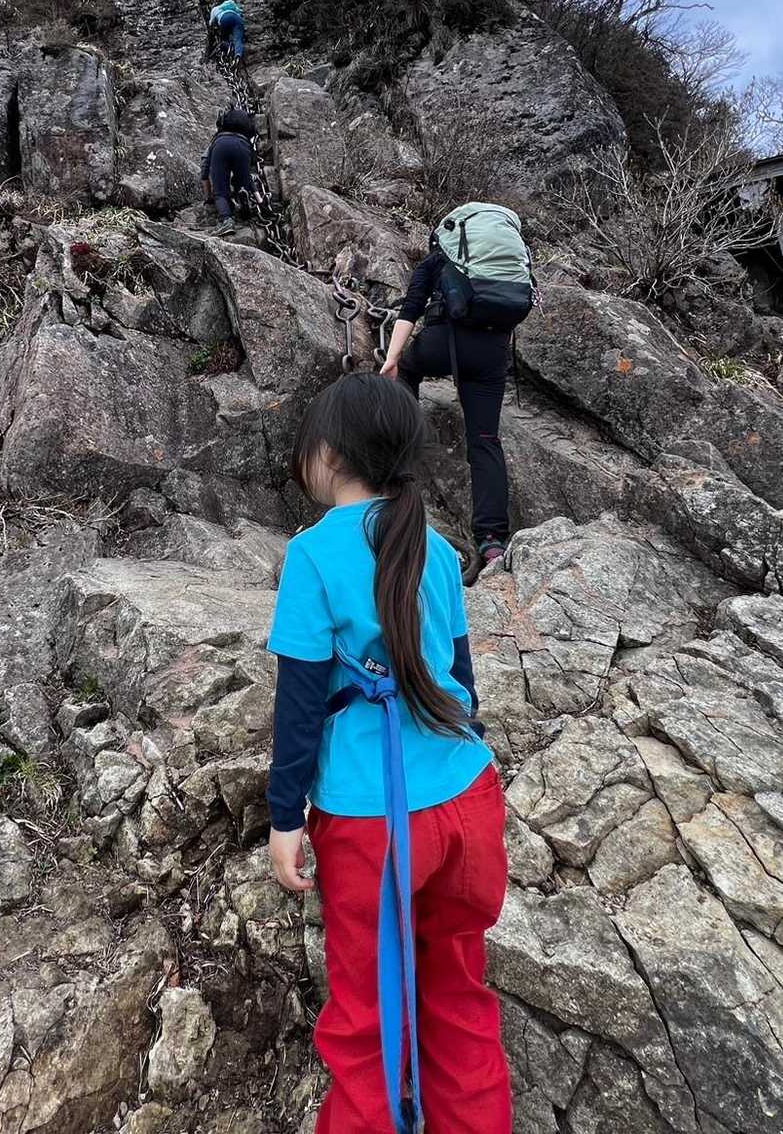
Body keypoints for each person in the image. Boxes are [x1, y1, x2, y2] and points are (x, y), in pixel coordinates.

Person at [266, 373, 510, 1134]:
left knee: (366, 1018)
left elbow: (299, 707)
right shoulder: (434, 548)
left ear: (330, 453)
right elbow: (460, 679)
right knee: (458, 993)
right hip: (468, 799)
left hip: (373, 822)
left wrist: (284, 817)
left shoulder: (311, 556)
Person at [380, 239, 512, 567]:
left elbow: (411, 309)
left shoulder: (437, 260)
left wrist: (393, 359)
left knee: (407, 370)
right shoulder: (505, 260)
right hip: (491, 353)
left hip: (441, 343)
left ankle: (404, 448)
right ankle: (492, 541)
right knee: (485, 439)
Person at [200, 107, 257, 236]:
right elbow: (249, 175)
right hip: (243, 146)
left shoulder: (217, 138)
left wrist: (208, 197)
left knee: (220, 192)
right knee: (242, 183)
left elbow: (205, 165)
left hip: (221, 146)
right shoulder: (246, 138)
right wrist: (259, 199)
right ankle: (242, 194)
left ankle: (226, 220)